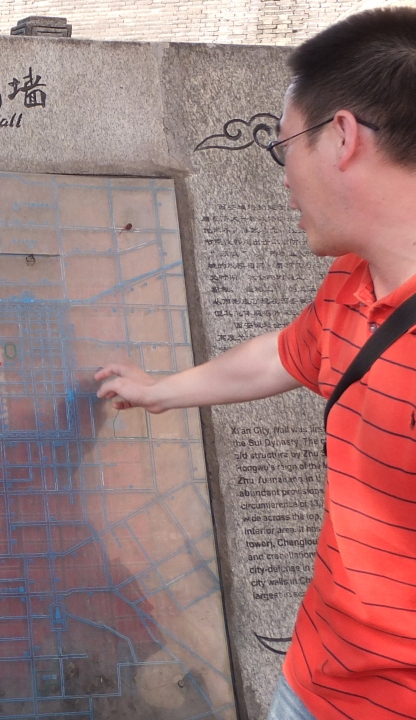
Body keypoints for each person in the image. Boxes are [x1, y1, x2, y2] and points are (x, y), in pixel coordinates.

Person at [95, 8, 416, 720]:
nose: (284, 178)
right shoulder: (354, 280)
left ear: (342, 138)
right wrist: (162, 390)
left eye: (283, 147)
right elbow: (281, 353)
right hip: (312, 677)